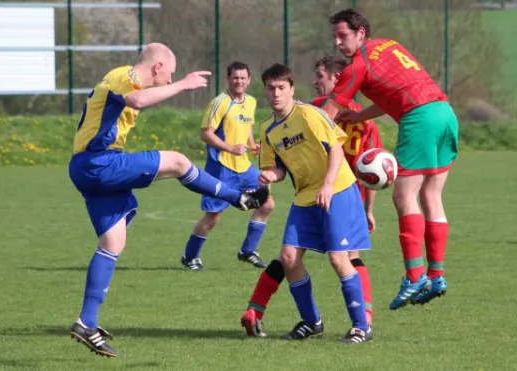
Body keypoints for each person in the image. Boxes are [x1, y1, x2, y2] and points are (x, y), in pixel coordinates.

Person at [67, 43, 270, 358]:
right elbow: (136, 98)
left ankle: (86, 323)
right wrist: (183, 84)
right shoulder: (126, 76)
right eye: (171, 72)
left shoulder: (123, 79)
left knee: (113, 241)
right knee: (177, 161)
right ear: (158, 66)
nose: (171, 77)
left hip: (89, 166)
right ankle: (238, 198)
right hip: (98, 163)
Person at [322, 8, 459, 310]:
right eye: (334, 36)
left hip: (419, 118)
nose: (337, 42)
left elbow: (327, 115)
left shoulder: (357, 66)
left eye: (342, 35)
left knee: (402, 195)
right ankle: (436, 276)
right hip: (444, 112)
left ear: (361, 33)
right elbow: (391, 96)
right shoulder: (390, 45)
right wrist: (360, 115)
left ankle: (414, 276)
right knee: (431, 196)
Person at [239, 56, 382, 335]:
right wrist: (270, 175)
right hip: (305, 196)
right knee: (289, 258)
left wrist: (328, 184)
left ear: (292, 88)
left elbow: (337, 150)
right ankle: (313, 322)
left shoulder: (310, 115)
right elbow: (276, 168)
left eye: (281, 87)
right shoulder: (268, 129)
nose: (276, 93)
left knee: (339, 259)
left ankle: (360, 327)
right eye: (270, 88)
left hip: (337, 189)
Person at [180, 61, 274, 271]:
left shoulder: (250, 101)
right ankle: (190, 257)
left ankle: (247, 251)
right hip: (221, 168)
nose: (239, 81)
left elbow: (247, 125)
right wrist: (231, 148)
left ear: (249, 80)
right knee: (213, 217)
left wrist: (252, 144)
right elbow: (205, 134)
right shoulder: (220, 102)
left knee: (266, 204)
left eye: (243, 78)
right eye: (235, 78)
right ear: (227, 79)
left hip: (244, 167)